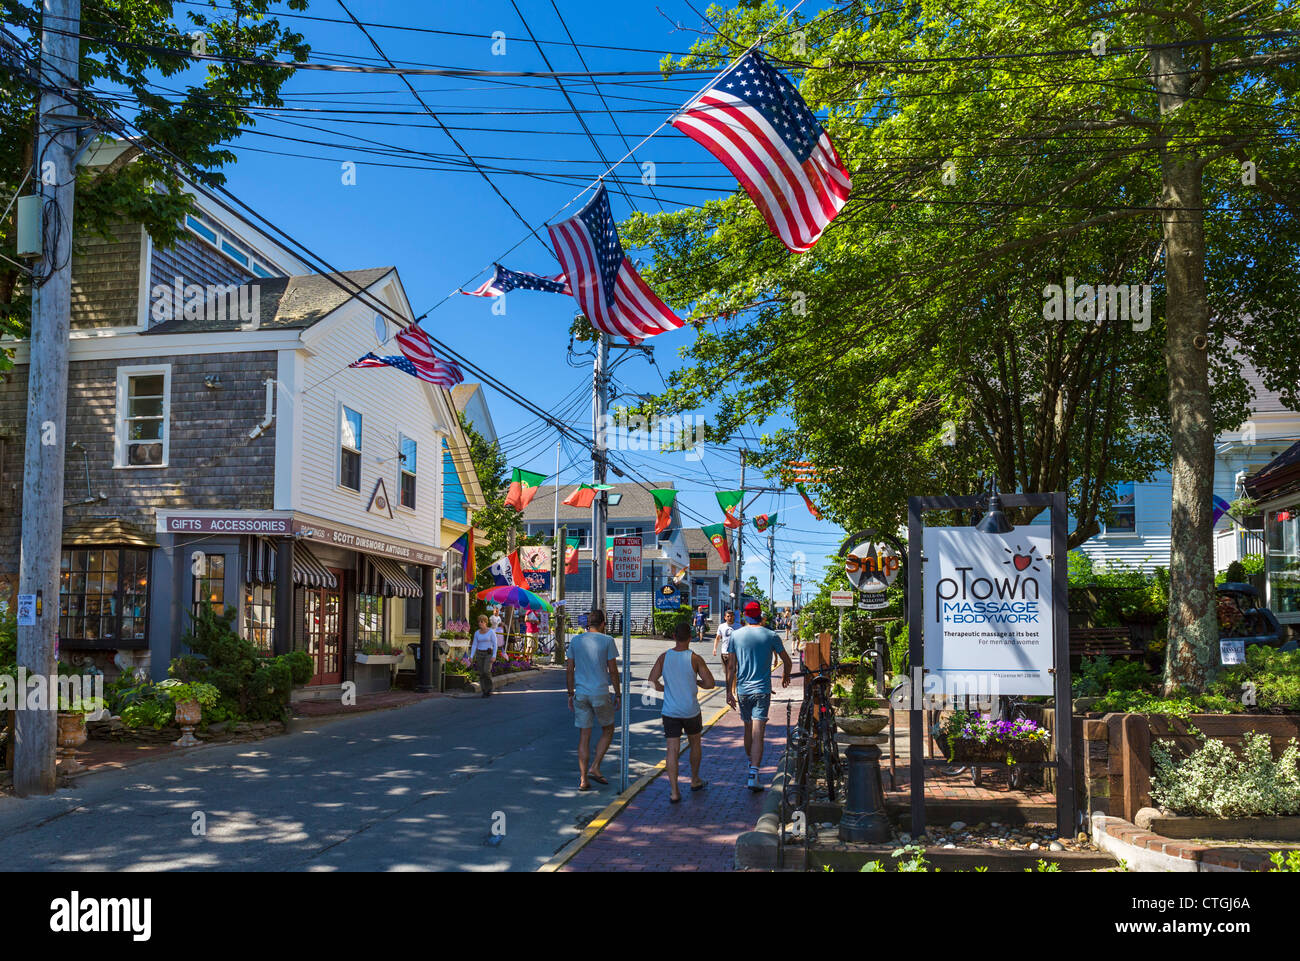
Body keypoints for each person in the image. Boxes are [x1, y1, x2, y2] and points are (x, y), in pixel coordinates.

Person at [726, 600, 792, 791]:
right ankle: (754, 773)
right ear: (760, 616)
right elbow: (787, 661)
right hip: (762, 690)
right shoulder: (771, 635)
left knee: (748, 730)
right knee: (759, 734)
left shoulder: (735, 635)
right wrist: (786, 676)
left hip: (743, 691)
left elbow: (731, 666)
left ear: (745, 616)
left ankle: (750, 765)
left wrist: (728, 692)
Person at [648, 621, 716, 802]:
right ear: (691, 637)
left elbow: (652, 681)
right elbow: (710, 683)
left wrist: (665, 688)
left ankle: (674, 792)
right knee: (695, 744)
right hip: (691, 711)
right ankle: (694, 780)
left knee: (672, 750)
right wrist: (697, 682)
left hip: (670, 711)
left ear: (674, 637)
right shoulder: (695, 658)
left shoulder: (664, 657)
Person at [566, 608, 621, 791]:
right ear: (603, 624)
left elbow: (569, 669)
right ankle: (595, 766)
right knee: (608, 729)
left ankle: (583, 779)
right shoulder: (607, 641)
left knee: (584, 736)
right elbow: (612, 670)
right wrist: (618, 693)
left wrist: (569, 693)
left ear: (588, 624)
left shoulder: (576, 640)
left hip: (581, 693)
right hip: (600, 692)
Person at [469, 614, 499, 698]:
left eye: (482, 622)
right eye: (479, 622)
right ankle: (484, 690)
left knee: (486, 671)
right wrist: (471, 656)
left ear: (485, 622)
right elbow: (474, 644)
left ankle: (489, 688)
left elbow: (495, 644)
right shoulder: (477, 633)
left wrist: (494, 655)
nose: (480, 623)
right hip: (479, 653)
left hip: (488, 653)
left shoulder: (491, 632)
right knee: (481, 673)